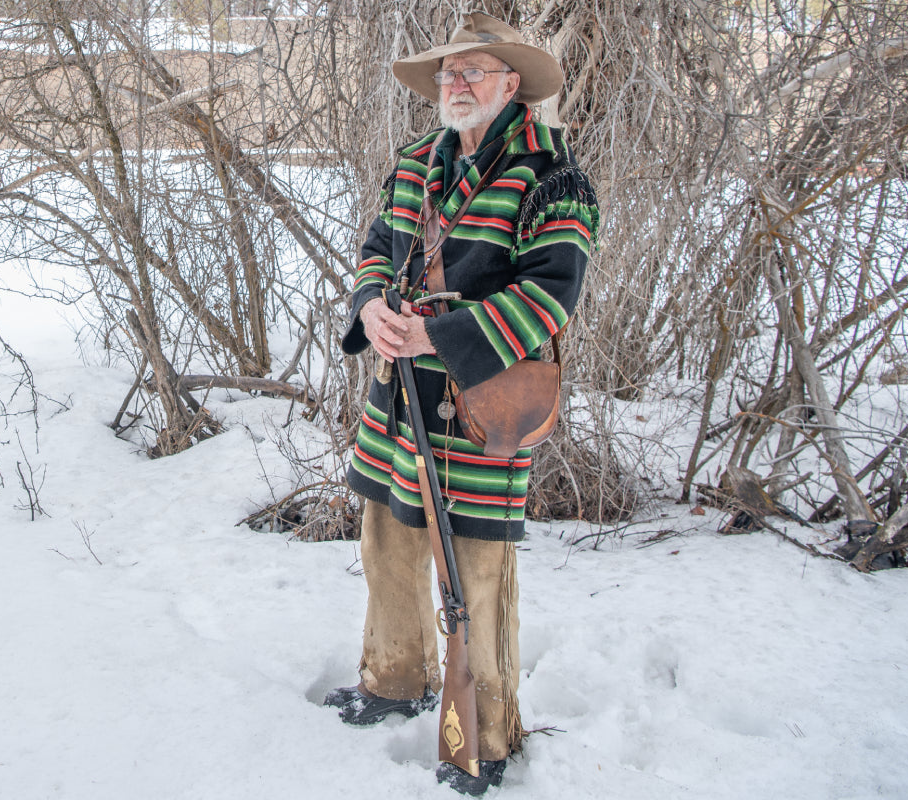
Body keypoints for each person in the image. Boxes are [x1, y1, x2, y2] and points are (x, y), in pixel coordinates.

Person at [325, 12, 598, 796]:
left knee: (476, 574)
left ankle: (489, 732)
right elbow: (379, 247)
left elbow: (553, 294)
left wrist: (437, 336)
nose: (457, 85)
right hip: (397, 395)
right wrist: (373, 305)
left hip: (479, 404)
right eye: (449, 74)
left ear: (512, 85)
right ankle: (392, 681)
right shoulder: (416, 161)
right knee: (387, 542)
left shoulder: (554, 177)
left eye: (474, 71)